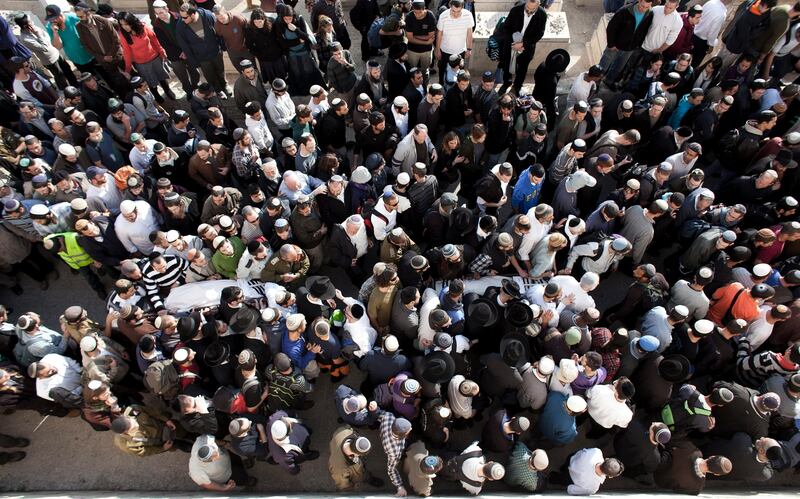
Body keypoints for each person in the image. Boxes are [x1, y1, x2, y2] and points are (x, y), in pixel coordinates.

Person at [176, 4, 229, 100]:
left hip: (215, 51)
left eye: (184, 17)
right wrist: (193, 62)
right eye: (181, 17)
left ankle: (225, 86)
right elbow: (185, 46)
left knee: (220, 70)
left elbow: (218, 31)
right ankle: (218, 90)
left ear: (192, 14)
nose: (182, 19)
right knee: (210, 75)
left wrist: (222, 46)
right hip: (201, 57)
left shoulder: (207, 15)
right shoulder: (180, 26)